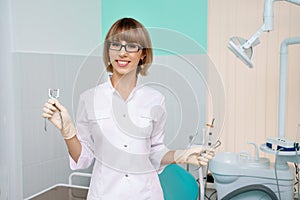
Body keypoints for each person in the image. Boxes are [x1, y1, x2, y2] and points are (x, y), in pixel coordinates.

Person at [42, 17, 214, 200]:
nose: (122, 53)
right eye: (115, 45)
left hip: (146, 194)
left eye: (131, 46)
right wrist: (68, 133)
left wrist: (183, 155)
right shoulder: (89, 99)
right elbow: (83, 158)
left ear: (143, 54)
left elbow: (155, 152)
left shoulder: (155, 100)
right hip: (105, 194)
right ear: (108, 51)